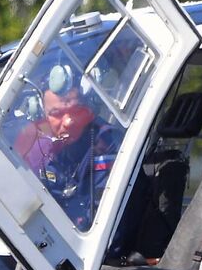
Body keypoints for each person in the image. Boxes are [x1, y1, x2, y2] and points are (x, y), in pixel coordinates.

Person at [13, 61, 147, 253]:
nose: (68, 121)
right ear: (41, 113)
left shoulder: (109, 145)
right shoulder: (37, 148)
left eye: (75, 110)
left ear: (88, 106)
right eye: (57, 114)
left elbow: (112, 231)